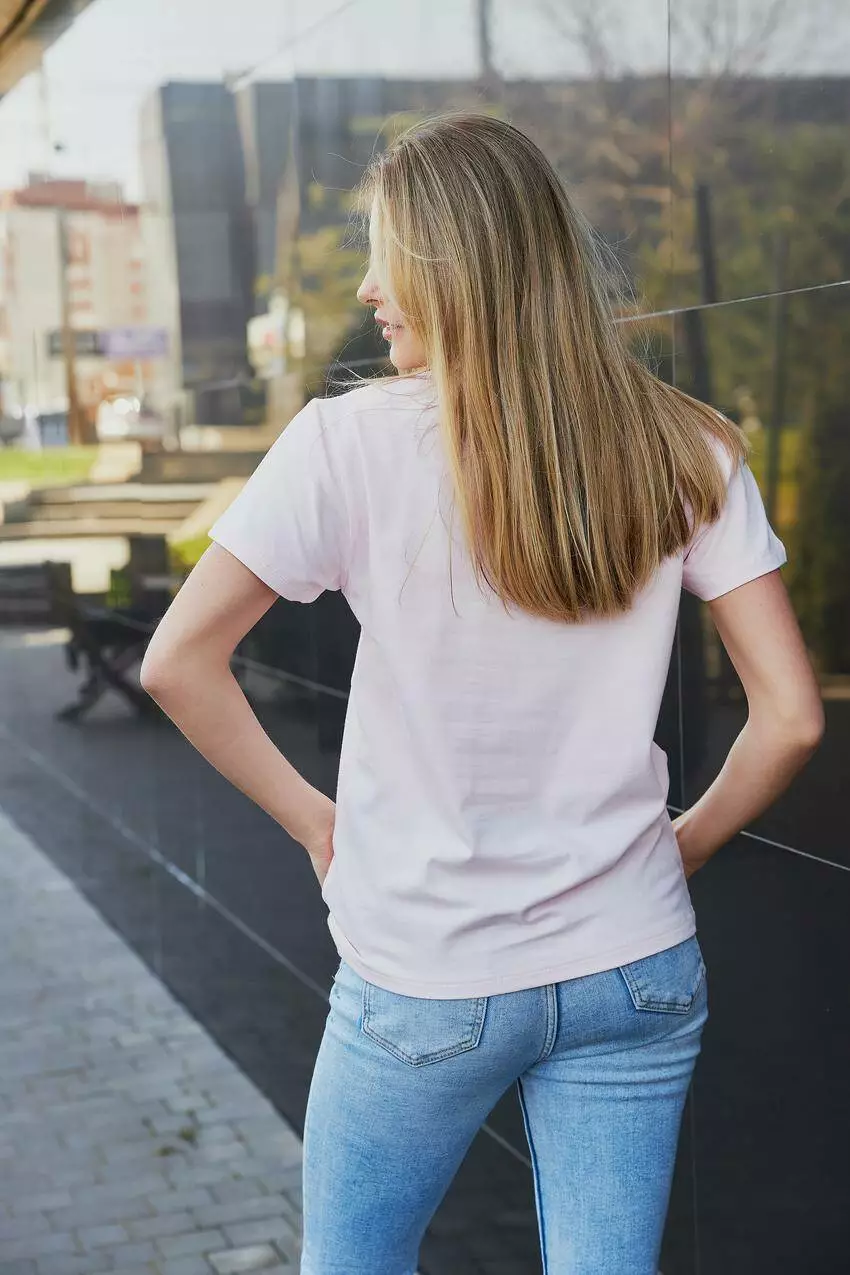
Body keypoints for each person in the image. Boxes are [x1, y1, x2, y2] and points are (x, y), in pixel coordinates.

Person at [140, 113, 824, 1275]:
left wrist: (314, 822)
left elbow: (177, 662)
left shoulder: (344, 445)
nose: (368, 289)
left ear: (457, 266)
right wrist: (686, 846)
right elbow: (794, 718)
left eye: (385, 257)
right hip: (636, 964)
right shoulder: (690, 445)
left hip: (427, 974)